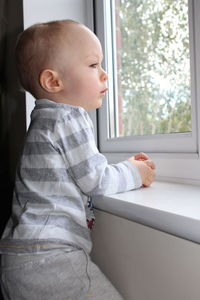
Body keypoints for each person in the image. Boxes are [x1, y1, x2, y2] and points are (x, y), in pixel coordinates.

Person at [0, 20, 155, 300]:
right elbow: (96, 178)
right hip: (51, 257)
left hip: (17, 259)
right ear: (53, 81)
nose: (104, 74)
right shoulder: (69, 116)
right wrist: (135, 171)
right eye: (93, 65)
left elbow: (78, 170)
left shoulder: (42, 120)